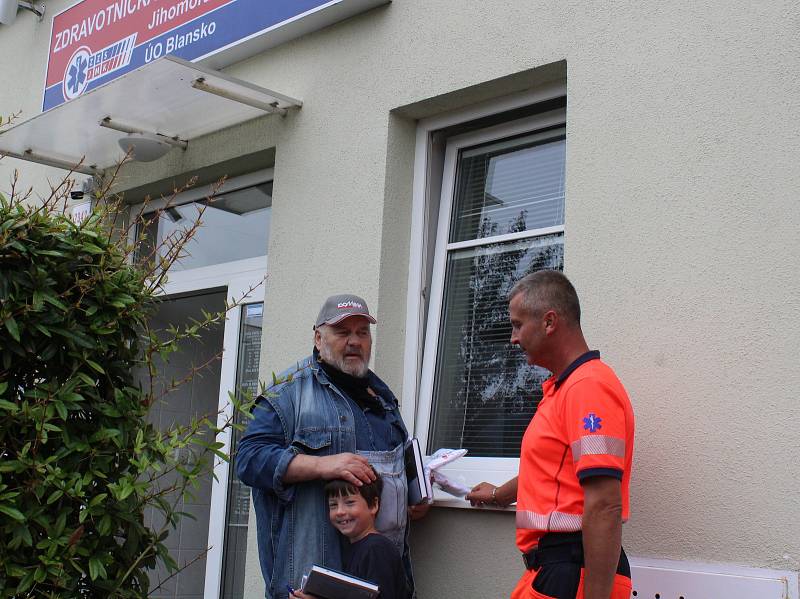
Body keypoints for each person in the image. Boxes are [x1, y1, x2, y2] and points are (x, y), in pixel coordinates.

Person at [236, 294, 426, 599]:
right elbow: (248, 460)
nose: (354, 341)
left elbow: (395, 465)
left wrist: (411, 496)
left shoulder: (383, 398)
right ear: (318, 337)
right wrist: (324, 464)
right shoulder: (288, 393)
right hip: (314, 587)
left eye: (362, 332)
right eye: (342, 332)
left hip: (382, 582)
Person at [466, 271, 635, 599]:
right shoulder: (566, 388)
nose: (513, 338)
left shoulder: (588, 388)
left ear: (549, 322)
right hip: (554, 571)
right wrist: (500, 494)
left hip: (573, 572)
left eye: (517, 324)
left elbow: (604, 504)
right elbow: (553, 468)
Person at [291, 469, 409, 599]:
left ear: (373, 505)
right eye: (333, 505)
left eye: (349, 502)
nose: (340, 511)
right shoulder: (353, 548)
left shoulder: (376, 549)